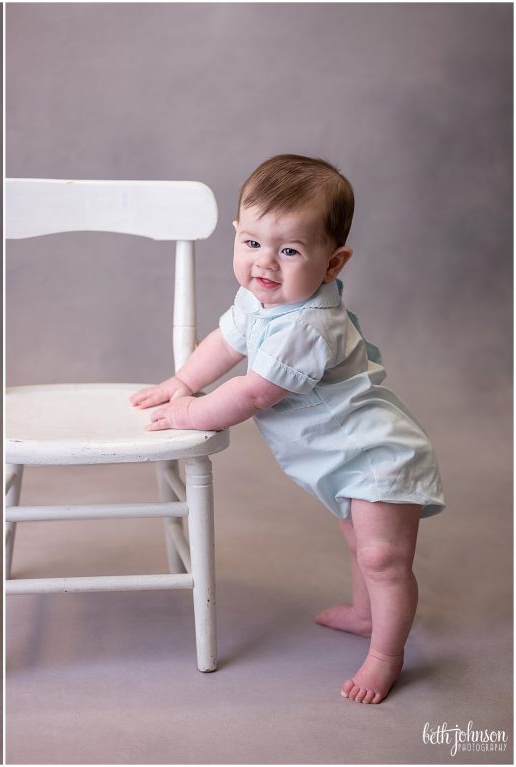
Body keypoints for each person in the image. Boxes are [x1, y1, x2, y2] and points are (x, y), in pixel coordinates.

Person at [131, 154, 444, 704]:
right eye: (251, 243)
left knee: (383, 558)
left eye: (290, 251)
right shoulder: (259, 299)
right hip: (337, 457)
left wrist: (188, 413)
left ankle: (385, 656)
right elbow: (226, 342)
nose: (265, 264)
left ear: (332, 263)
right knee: (358, 542)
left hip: (375, 454)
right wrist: (181, 381)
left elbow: (252, 392)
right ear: (236, 236)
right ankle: (364, 614)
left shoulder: (307, 325)